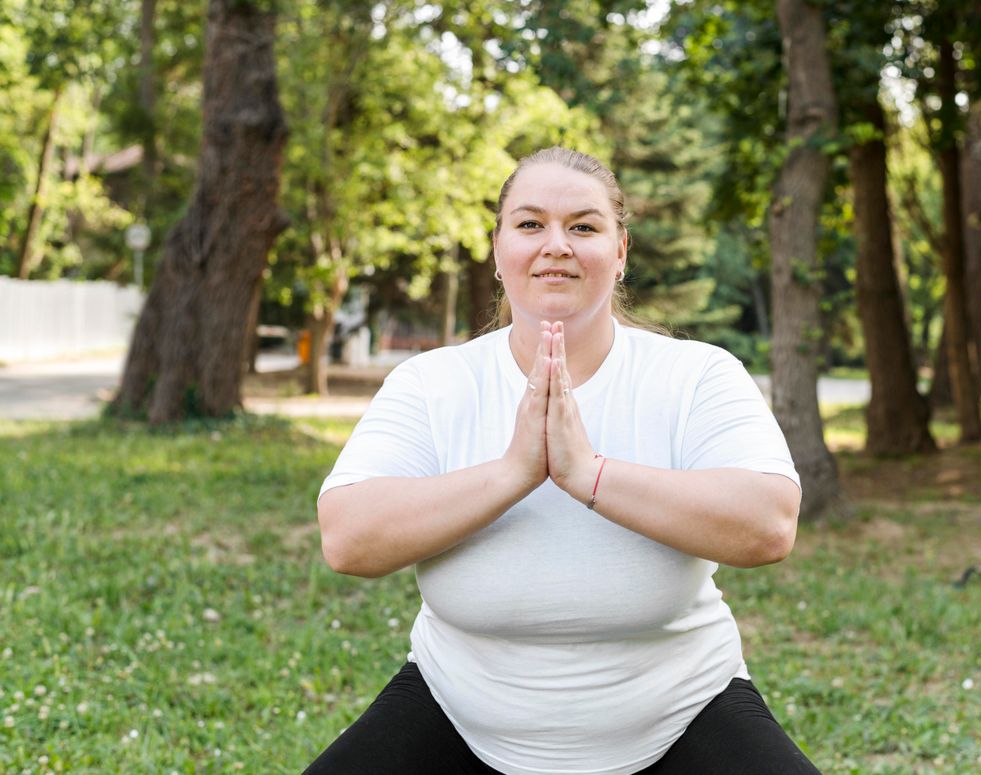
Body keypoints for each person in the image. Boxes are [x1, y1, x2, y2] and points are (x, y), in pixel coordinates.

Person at [305, 147, 821, 775]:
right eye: (530, 224)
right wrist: (512, 473)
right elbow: (347, 539)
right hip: (459, 711)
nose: (557, 245)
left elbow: (768, 524)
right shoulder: (432, 382)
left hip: (681, 713)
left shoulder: (697, 375)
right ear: (498, 250)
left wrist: (589, 474)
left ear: (620, 250)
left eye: (583, 226)